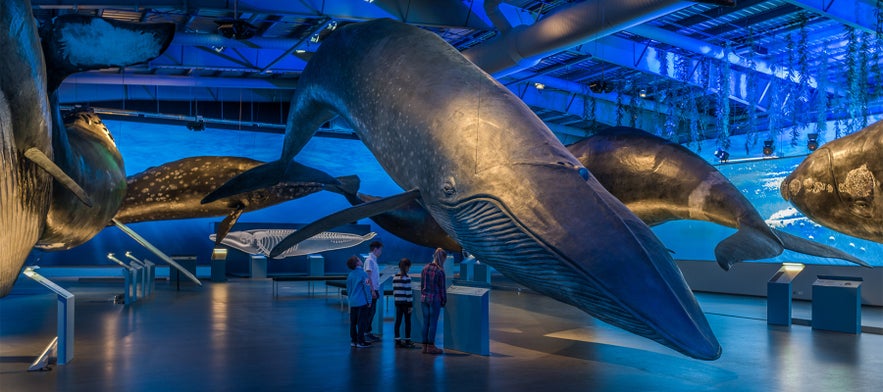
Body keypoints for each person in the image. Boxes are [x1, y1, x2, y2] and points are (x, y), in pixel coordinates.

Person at [420, 248, 447, 354]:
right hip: (434, 300)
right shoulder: (440, 271)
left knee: (425, 322)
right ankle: (431, 347)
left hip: (424, 299)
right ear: (442, 258)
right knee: (433, 323)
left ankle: (424, 347)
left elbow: (422, 285)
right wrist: (444, 300)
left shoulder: (425, 268)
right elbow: (442, 289)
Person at [346, 255, 372, 348]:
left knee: (353, 323)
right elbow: (367, 288)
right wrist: (369, 301)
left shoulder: (350, 274)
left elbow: (348, 289)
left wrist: (351, 299)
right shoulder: (363, 274)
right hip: (362, 303)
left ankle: (353, 341)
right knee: (361, 323)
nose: (361, 260)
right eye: (359, 260)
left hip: (353, 302)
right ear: (357, 263)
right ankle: (361, 341)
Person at [393, 258, 415, 348]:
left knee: (398, 321)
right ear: (406, 267)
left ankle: (397, 340)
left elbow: (394, 291)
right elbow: (408, 293)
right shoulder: (407, 278)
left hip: (398, 303)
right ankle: (407, 340)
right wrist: (410, 305)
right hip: (406, 304)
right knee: (407, 322)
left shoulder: (395, 277)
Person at [363, 241, 383, 342]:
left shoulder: (373, 260)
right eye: (380, 250)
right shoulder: (369, 260)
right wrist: (372, 291)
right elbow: (368, 276)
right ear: (375, 249)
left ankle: (368, 332)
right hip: (372, 291)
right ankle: (365, 333)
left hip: (375, 289)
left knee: (372, 312)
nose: (381, 252)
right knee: (369, 313)